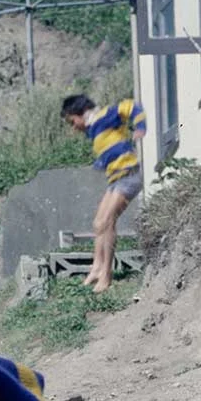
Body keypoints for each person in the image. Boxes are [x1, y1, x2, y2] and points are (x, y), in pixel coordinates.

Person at [61, 92, 146, 293]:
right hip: (116, 180)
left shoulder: (105, 115)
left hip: (129, 175)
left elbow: (132, 107)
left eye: (72, 121)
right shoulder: (94, 129)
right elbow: (109, 144)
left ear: (80, 113)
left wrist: (141, 128)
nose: (74, 127)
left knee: (107, 222)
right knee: (98, 223)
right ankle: (97, 267)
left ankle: (106, 275)